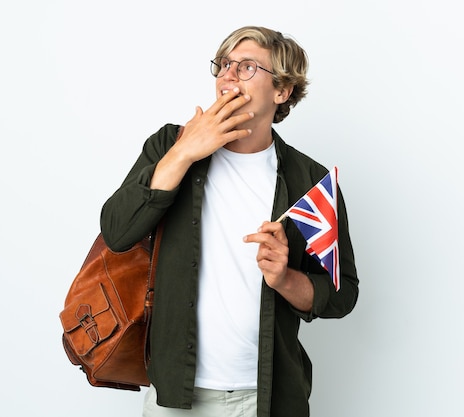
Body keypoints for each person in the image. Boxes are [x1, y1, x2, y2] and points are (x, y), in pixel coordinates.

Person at [100, 26, 359, 417]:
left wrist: (284, 278)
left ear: (282, 91)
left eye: (247, 66)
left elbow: (342, 295)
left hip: (265, 399)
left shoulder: (310, 183)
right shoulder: (170, 145)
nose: (228, 74)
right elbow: (117, 232)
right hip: (173, 393)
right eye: (224, 64)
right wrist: (184, 152)